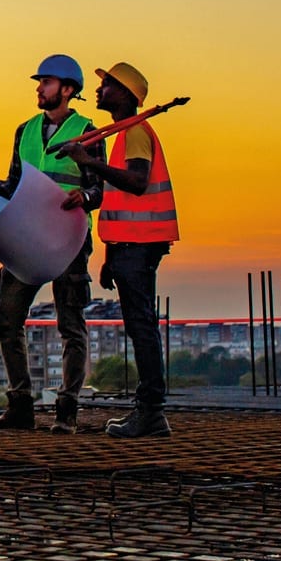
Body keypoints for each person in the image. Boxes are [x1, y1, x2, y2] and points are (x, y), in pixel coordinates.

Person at [0, 54, 105, 434]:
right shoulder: (25, 130)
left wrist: (86, 196)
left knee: (70, 324)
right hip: (25, 238)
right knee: (7, 317)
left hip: (68, 240)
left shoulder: (88, 132)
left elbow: (100, 187)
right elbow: (17, 182)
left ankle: (67, 410)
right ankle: (20, 406)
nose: (38, 88)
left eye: (45, 82)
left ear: (67, 90)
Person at [59, 61, 179, 438]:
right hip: (130, 246)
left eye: (107, 84)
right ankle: (149, 411)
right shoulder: (126, 134)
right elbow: (118, 200)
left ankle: (151, 412)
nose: (99, 90)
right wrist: (111, 254)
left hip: (140, 246)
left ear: (126, 95)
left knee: (142, 327)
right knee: (139, 325)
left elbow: (137, 183)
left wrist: (89, 162)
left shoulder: (136, 133)